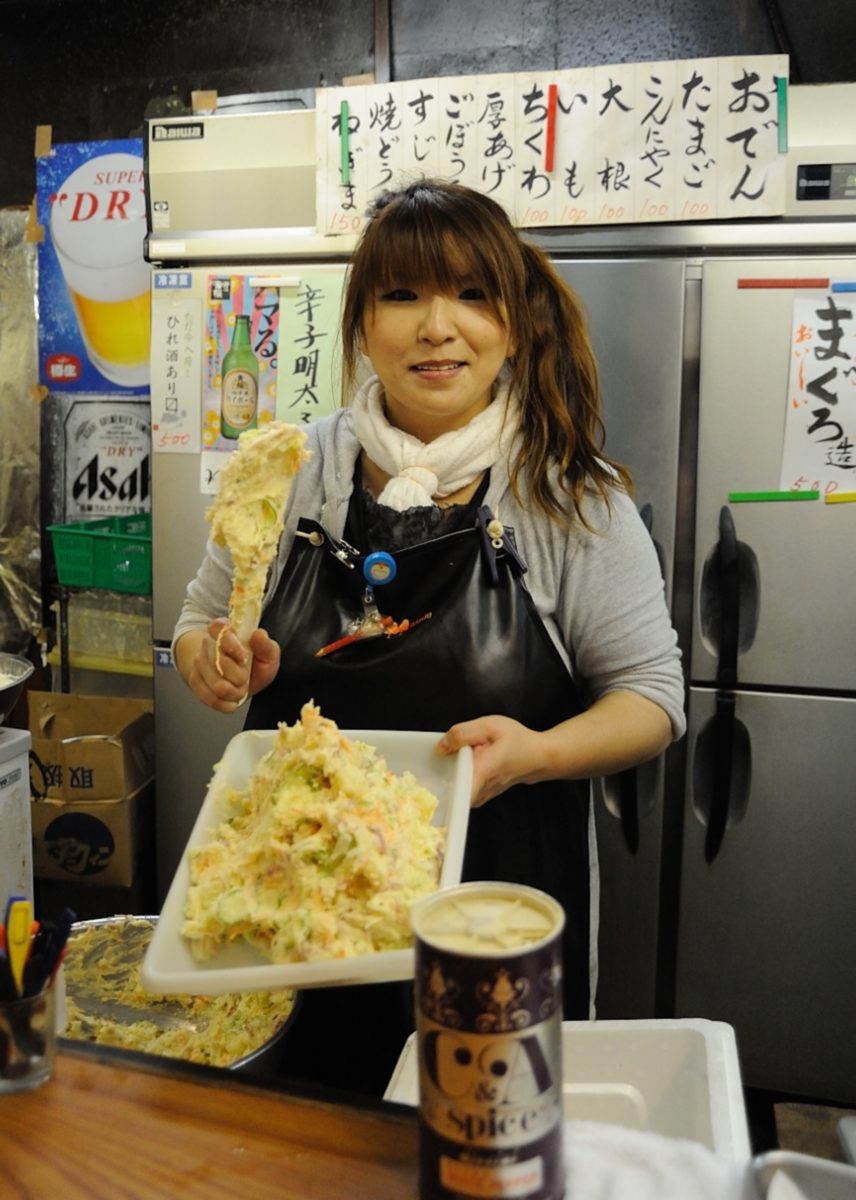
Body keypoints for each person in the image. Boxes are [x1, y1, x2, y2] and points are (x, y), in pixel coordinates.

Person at [173, 178, 685, 1094]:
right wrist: (209, 663)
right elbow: (197, 627)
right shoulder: (292, 469)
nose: (435, 326)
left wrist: (535, 753)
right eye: (402, 295)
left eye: (471, 295)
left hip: (495, 912)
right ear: (363, 324)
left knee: (477, 1150)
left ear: (514, 320)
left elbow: (651, 700)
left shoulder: (572, 495)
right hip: (296, 909)